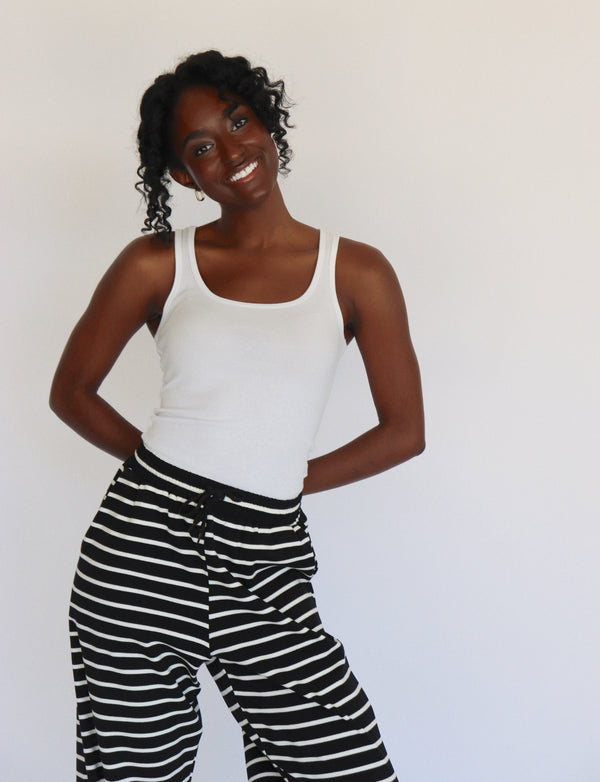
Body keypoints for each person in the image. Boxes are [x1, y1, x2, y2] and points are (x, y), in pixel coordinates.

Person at [50, 50, 425, 782]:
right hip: (141, 550)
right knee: (134, 771)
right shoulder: (157, 265)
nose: (232, 153)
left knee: (340, 763)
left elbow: (405, 432)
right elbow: (72, 392)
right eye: (201, 149)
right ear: (186, 178)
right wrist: (164, 476)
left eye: (238, 122)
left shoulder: (357, 272)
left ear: (266, 122)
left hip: (266, 551)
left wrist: (278, 478)